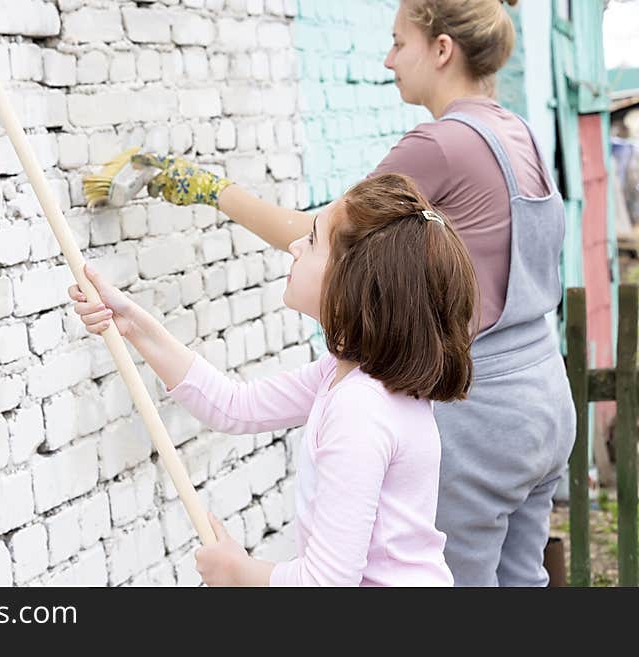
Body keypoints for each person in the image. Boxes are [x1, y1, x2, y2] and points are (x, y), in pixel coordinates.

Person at [130, 0, 576, 586]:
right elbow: (236, 404)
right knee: (524, 585)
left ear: (442, 50)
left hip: (481, 414)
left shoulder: (439, 145)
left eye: (398, 41)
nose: (388, 58)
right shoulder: (516, 130)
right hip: (544, 396)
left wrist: (213, 191)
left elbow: (335, 235)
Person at [71, 174, 476, 586]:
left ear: (352, 281)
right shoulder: (349, 376)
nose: (296, 246)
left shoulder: (361, 410)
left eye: (314, 241)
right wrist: (132, 324)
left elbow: (326, 583)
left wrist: (238, 573)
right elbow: (233, 405)